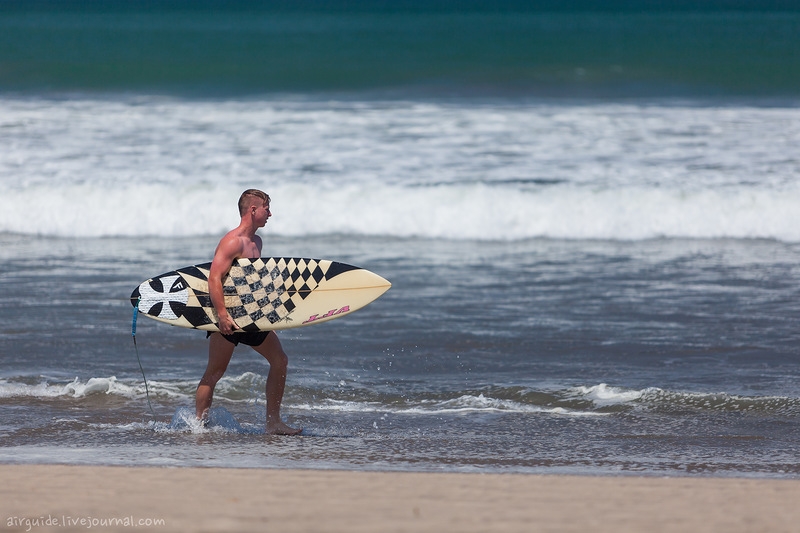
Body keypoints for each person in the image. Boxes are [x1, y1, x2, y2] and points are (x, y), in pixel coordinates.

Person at [195, 189, 302, 436]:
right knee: (215, 372)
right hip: (229, 319)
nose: (270, 213)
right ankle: (198, 426)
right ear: (253, 210)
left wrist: (267, 318)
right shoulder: (232, 241)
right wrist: (222, 315)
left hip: (252, 318)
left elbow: (253, 285)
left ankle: (273, 422)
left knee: (280, 360)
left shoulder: (257, 242)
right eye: (266, 207)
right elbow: (214, 278)